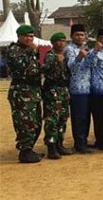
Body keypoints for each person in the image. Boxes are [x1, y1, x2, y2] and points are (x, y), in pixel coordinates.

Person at [6, 25, 43, 163]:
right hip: (21, 92)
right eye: (26, 36)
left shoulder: (31, 50)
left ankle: (29, 148)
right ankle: (24, 151)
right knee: (25, 123)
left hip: (33, 91)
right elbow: (20, 67)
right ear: (19, 37)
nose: (29, 39)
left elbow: (40, 67)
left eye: (31, 36)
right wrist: (32, 52)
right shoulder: (13, 50)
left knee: (36, 122)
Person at [41, 32, 73, 159]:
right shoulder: (50, 56)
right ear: (53, 43)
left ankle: (60, 144)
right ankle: (51, 147)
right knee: (52, 120)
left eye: (64, 41)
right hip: (52, 92)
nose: (61, 43)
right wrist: (56, 62)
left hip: (63, 91)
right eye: (59, 41)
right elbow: (45, 70)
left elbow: (67, 75)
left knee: (63, 119)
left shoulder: (65, 56)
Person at [64, 24, 94, 153]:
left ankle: (84, 141)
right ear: (71, 36)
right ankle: (79, 144)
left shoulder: (86, 48)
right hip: (77, 89)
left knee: (86, 117)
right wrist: (80, 57)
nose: (80, 37)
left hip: (88, 88)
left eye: (82, 34)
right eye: (77, 34)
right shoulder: (69, 49)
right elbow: (72, 68)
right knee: (79, 118)